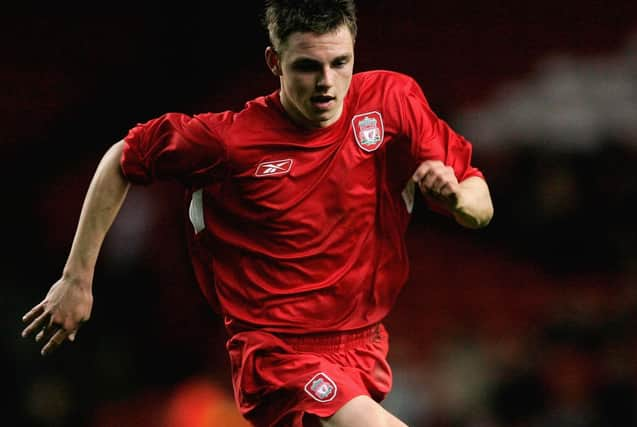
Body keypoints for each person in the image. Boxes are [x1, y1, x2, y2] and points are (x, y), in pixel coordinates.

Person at [21, 1, 494, 426]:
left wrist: (455, 200)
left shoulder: (393, 101)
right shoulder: (228, 141)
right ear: (275, 63)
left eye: (340, 63)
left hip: (365, 344)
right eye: (307, 67)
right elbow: (123, 158)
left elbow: (480, 205)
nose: (327, 83)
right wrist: (77, 278)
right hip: (276, 350)